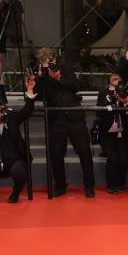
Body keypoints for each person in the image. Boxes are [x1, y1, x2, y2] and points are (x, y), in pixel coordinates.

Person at [34, 47, 95, 198]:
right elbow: (36, 96)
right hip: (56, 119)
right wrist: (41, 77)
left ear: (55, 59)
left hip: (75, 117)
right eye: (45, 61)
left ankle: (89, 186)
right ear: (41, 63)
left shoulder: (65, 70)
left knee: (84, 152)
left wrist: (59, 78)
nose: (49, 63)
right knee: (56, 154)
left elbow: (76, 86)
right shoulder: (40, 76)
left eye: (51, 59)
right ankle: (60, 185)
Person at [0, 76, 36, 205]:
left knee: (19, 169)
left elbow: (27, 111)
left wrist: (30, 91)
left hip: (14, 162)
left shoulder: (11, 118)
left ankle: (16, 192)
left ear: (4, 111)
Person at [96, 74, 128, 194]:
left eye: (119, 79)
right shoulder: (103, 93)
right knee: (112, 158)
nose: (117, 81)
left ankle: (121, 183)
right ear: (109, 82)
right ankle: (111, 185)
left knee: (123, 158)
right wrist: (110, 98)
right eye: (114, 79)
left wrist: (124, 100)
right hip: (107, 133)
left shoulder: (125, 92)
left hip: (122, 132)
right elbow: (99, 111)